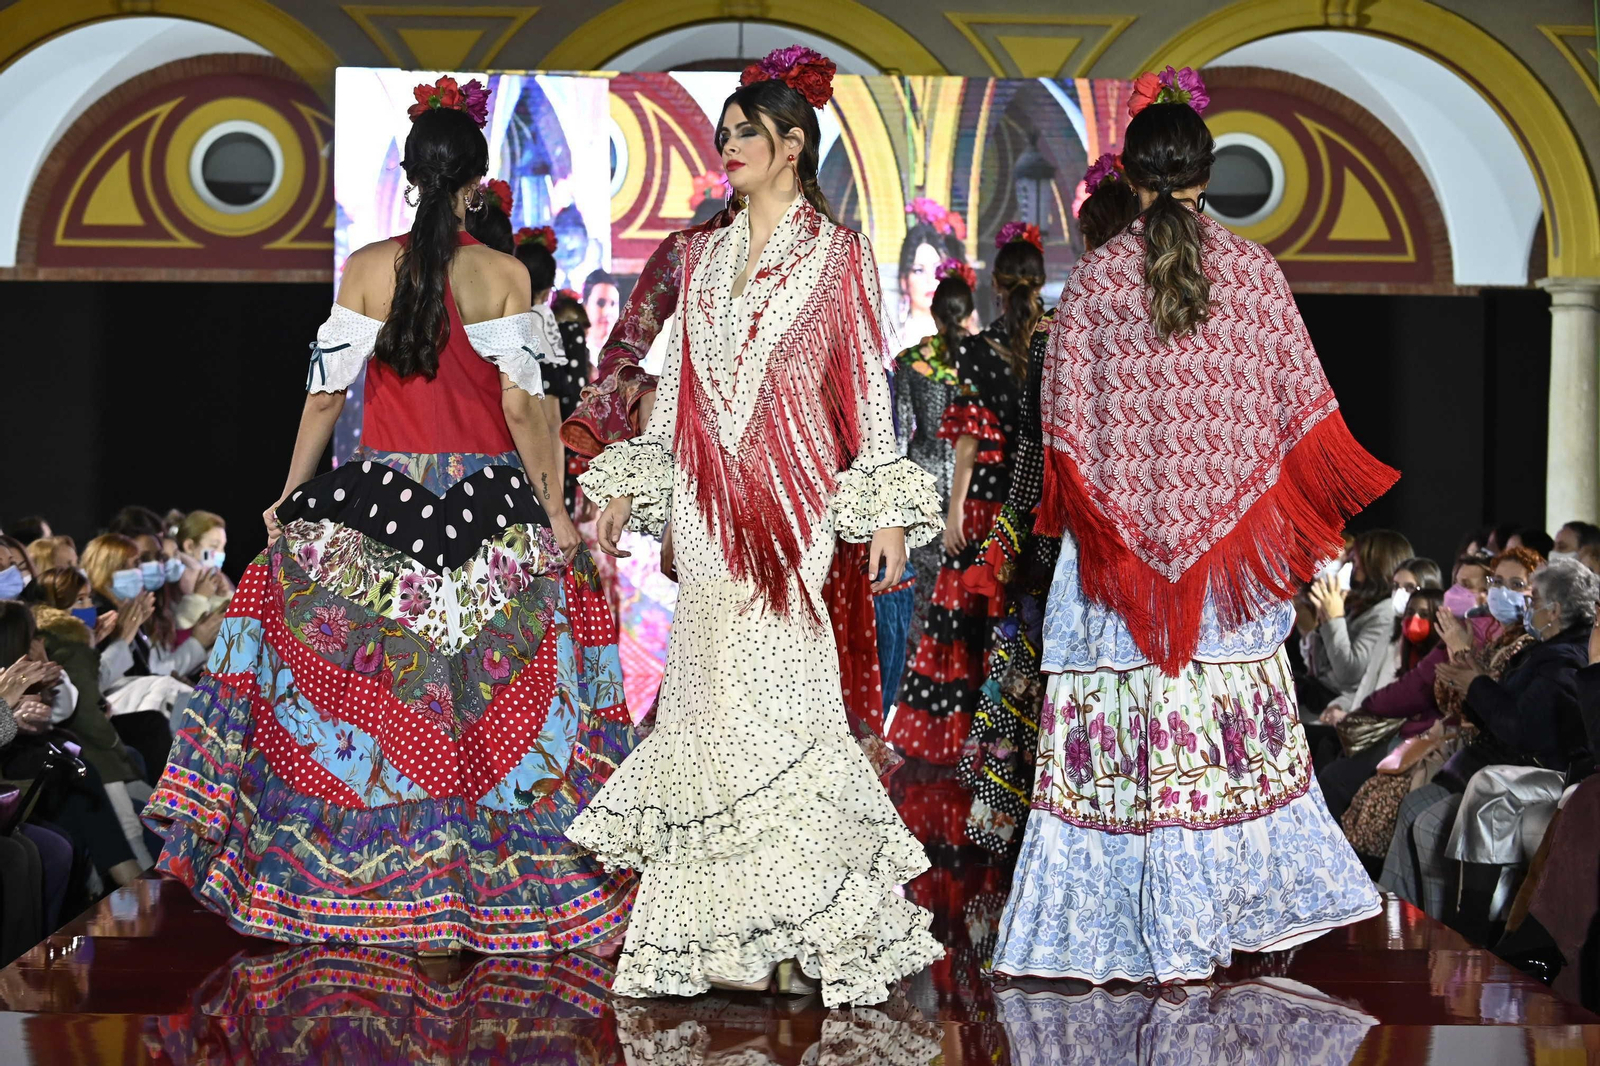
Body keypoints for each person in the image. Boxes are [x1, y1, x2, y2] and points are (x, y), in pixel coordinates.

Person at [138, 77, 639, 953]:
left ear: (412, 177)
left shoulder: (368, 266)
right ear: (479, 184)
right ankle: (480, 892)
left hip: (381, 506)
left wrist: (292, 494)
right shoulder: (505, 274)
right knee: (489, 708)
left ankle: (364, 887)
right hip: (491, 510)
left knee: (375, 699)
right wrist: (556, 510)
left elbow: (325, 397)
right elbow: (528, 412)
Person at [566, 46, 944, 1006]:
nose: (728, 145)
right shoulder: (696, 255)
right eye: (724, 131)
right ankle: (723, 939)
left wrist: (885, 508)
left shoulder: (843, 253)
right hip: (701, 501)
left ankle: (802, 927)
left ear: (793, 146)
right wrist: (625, 484)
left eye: (746, 132)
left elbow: (865, 384)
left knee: (783, 704)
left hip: (794, 505)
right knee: (705, 708)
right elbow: (677, 389)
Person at [990, 81, 1392, 983]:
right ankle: (1220, 909)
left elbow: (1064, 439)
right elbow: (1300, 418)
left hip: (1113, 573)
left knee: (1128, 751)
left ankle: (1128, 925)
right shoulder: (1253, 272)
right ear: (1207, 175)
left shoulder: (1093, 280)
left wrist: (1124, 517)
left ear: (1130, 177)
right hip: (1224, 578)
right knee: (1211, 745)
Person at [958, 155, 1141, 859]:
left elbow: (1033, 459)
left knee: (1044, 696)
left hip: (1064, 550)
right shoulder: (1160, 332)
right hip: (1130, 555)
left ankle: (1041, 845)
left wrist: (1008, 541)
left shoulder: (1056, 332)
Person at [891, 227, 1042, 766]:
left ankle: (963, 752)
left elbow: (968, 444)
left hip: (980, 506)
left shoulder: (977, 352)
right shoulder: (1055, 340)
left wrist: (953, 512)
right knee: (1019, 622)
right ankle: (1014, 754)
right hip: (1035, 509)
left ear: (996, 289)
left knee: (964, 624)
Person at [891, 267, 975, 667]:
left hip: (921, 480)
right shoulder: (984, 362)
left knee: (923, 585)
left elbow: (901, 432)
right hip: (972, 485)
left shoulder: (909, 363)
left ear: (936, 315)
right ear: (968, 313)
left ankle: (918, 674)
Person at [895, 199, 968, 356]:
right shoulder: (893, 346)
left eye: (937, 269)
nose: (931, 279)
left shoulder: (967, 342)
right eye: (919, 270)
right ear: (904, 281)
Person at [581, 269, 620, 360]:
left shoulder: (627, 354)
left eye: (613, 304)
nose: (607, 311)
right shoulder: (575, 352)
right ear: (585, 306)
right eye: (600, 303)